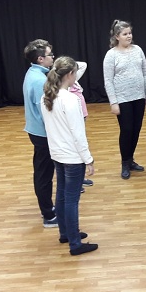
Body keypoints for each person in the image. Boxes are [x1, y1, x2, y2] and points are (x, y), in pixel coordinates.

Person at [41, 56, 98, 256]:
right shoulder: (71, 99)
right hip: (72, 156)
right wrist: (88, 159)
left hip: (57, 153)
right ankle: (75, 244)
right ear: (70, 75)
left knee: (62, 195)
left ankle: (66, 233)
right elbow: (78, 133)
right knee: (72, 199)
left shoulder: (47, 96)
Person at [103, 19, 146, 179]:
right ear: (117, 36)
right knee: (127, 130)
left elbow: (145, 73)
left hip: (139, 96)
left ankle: (131, 160)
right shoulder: (111, 55)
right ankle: (125, 162)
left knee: (136, 129)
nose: (129, 36)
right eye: (125, 34)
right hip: (122, 98)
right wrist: (113, 102)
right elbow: (108, 80)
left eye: (130, 33)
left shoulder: (138, 50)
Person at [22, 39, 57, 227]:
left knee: (43, 172)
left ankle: (48, 209)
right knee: (44, 175)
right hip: (42, 134)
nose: (53, 57)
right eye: (50, 54)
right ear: (40, 59)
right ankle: (48, 215)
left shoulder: (34, 73)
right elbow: (45, 111)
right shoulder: (39, 81)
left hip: (37, 131)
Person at [69, 61, 93, 190]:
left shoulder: (73, 80)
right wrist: (58, 66)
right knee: (75, 146)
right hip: (75, 117)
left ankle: (80, 179)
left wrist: (67, 64)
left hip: (81, 115)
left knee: (79, 145)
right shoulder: (65, 86)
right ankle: (75, 182)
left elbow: (83, 64)